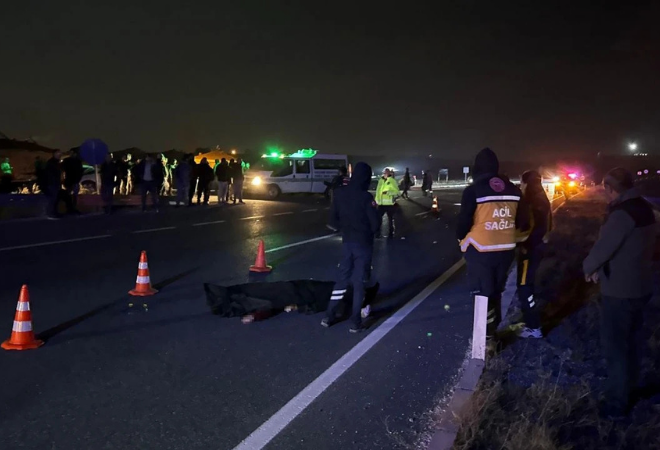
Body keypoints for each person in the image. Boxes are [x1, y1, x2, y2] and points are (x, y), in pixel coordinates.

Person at [583, 167, 656, 417]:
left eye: (605, 189)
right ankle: (630, 387)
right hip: (641, 285)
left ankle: (617, 403)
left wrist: (589, 267)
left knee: (616, 346)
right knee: (632, 342)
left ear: (611, 188)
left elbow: (605, 247)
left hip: (621, 290)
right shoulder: (643, 208)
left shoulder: (622, 214)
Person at [456, 148, 528, 342]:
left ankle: (483, 341)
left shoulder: (474, 190)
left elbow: (463, 222)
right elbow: (523, 222)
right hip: (505, 251)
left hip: (480, 250)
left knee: (482, 294)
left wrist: (460, 237)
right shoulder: (513, 189)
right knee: (496, 291)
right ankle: (492, 332)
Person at [323, 162, 381, 333]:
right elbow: (375, 224)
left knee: (342, 279)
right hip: (363, 244)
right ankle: (355, 322)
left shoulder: (340, 193)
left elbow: (332, 221)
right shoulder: (366, 197)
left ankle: (329, 315)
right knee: (359, 283)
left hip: (347, 242)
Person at [515, 170, 552, 339]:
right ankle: (531, 321)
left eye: (522, 183)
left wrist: (523, 245)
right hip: (539, 247)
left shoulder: (531, 202)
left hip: (530, 249)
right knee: (527, 284)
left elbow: (530, 228)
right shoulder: (543, 199)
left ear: (527, 183)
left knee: (524, 286)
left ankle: (533, 326)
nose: (521, 186)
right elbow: (548, 226)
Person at [375, 168, 400, 238]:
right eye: (384, 172)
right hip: (381, 204)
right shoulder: (380, 181)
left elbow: (397, 193)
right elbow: (378, 191)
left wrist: (388, 192)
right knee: (377, 219)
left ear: (389, 173)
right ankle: (377, 233)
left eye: (387, 172)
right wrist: (376, 201)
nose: (385, 174)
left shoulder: (392, 181)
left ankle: (391, 233)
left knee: (390, 219)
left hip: (390, 204)